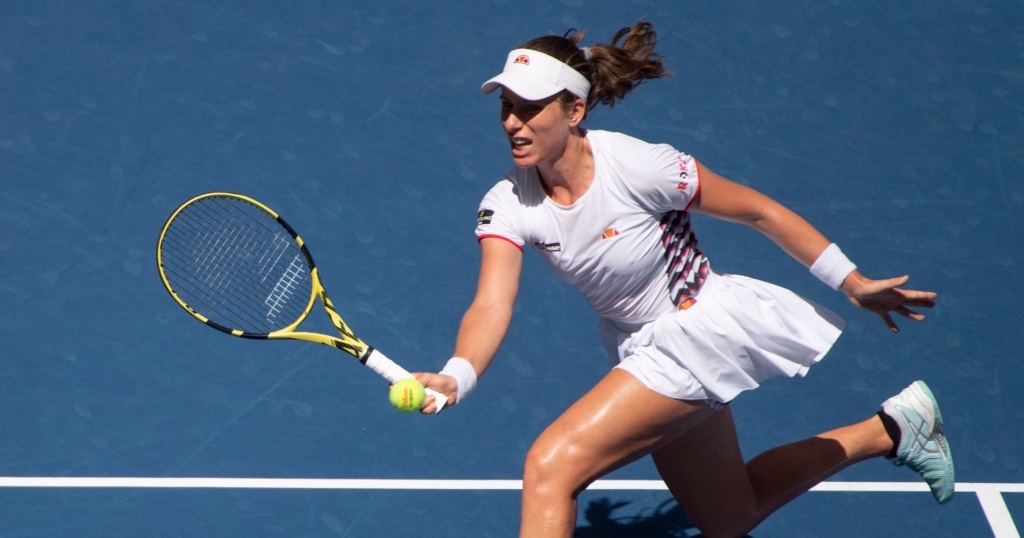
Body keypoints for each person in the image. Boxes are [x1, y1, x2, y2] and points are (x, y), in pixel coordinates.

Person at [414, 21, 954, 538]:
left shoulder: (640, 166)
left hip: (695, 332)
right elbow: (492, 304)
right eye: (507, 107)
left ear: (575, 109)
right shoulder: (507, 202)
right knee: (729, 517)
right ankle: (893, 429)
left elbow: (758, 211)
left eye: (531, 109)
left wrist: (852, 282)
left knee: (549, 467)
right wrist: (458, 375)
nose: (513, 123)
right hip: (637, 345)